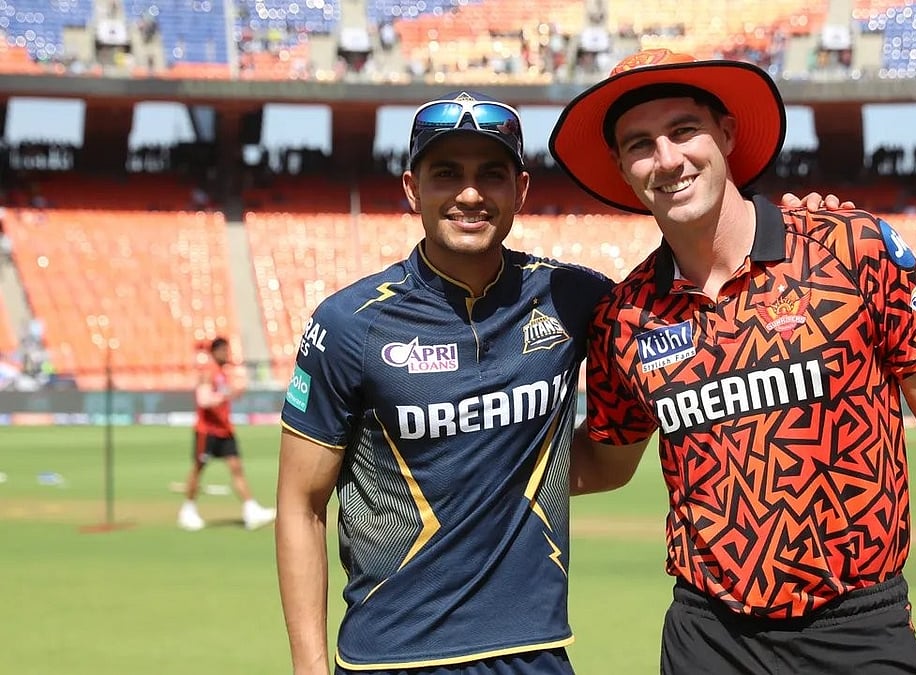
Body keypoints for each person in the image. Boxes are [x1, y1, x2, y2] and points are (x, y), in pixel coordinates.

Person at [275, 90, 852, 675]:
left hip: (536, 654)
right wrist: (309, 665)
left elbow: (621, 442)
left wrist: (798, 233)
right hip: (392, 656)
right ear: (411, 189)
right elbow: (301, 505)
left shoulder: (576, 298)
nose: (470, 194)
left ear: (521, 191)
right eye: (446, 173)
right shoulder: (349, 324)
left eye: (492, 175)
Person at [550, 49, 916, 675]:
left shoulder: (849, 248)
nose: (668, 159)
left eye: (683, 131)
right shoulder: (625, 317)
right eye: (640, 145)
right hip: (707, 637)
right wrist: (469, 465)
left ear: (726, 133)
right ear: (624, 169)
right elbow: (605, 461)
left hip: (857, 629)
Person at [177, 337, 277, 531]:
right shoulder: (208, 372)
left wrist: (232, 393)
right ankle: (187, 510)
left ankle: (250, 509)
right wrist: (229, 394)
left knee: (236, 468)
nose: (227, 355)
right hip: (207, 431)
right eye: (224, 351)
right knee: (198, 469)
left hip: (224, 429)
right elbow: (204, 400)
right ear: (216, 351)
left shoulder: (222, 373)